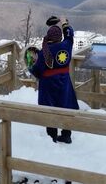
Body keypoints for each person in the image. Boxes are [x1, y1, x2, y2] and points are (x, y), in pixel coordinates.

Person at [30, 15, 79, 143]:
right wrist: (64, 23)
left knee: (50, 108)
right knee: (66, 106)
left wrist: (31, 65)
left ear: (49, 37)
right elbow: (69, 33)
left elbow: (36, 71)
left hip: (48, 85)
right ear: (60, 37)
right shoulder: (67, 45)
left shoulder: (43, 53)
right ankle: (66, 135)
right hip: (64, 82)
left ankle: (52, 136)